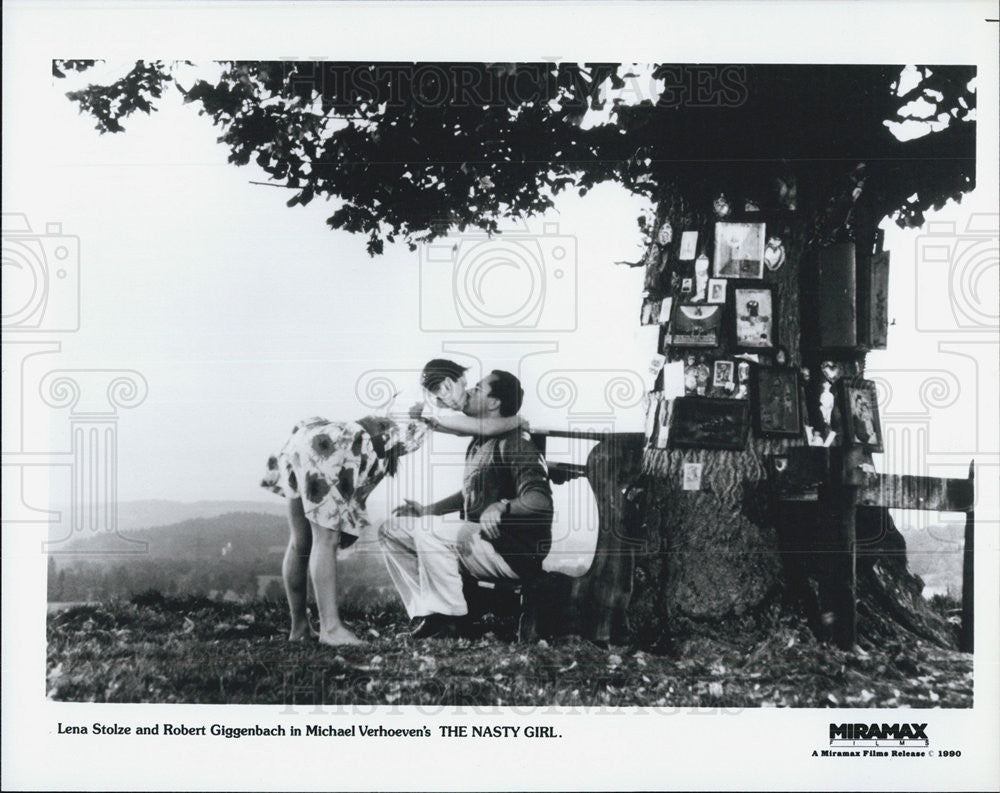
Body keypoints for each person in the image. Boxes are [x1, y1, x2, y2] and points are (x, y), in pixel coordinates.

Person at [261, 361, 524, 647]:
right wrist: (519, 421)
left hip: (311, 440)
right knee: (325, 540)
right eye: (465, 386)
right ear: (447, 386)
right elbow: (475, 427)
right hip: (331, 452)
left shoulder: (419, 400)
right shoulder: (428, 407)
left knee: (301, 542)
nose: (468, 394)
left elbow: (467, 428)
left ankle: (299, 628)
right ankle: (330, 628)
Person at [380, 370, 554, 639]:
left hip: (512, 551)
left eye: (478, 388)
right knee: (391, 529)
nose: (470, 392)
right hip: (481, 542)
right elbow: (471, 492)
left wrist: (503, 507)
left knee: (428, 529)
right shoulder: (480, 440)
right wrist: (428, 510)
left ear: (495, 403)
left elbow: (540, 501)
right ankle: (430, 614)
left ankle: (451, 620)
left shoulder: (517, 442)